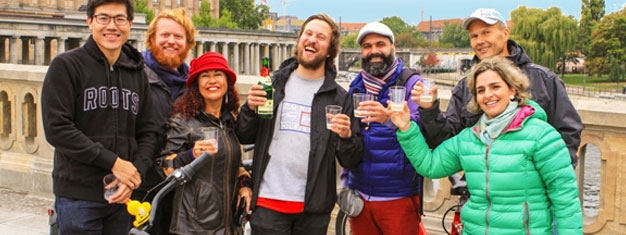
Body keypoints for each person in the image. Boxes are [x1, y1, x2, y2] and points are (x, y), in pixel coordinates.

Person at [391, 57, 583, 234]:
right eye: (481, 90)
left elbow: (565, 200)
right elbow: (430, 165)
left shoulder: (542, 135)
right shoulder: (469, 138)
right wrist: (406, 128)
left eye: (495, 87)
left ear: (513, 89)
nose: (488, 95)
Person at [236, 14, 363, 235]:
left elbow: (351, 159)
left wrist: (346, 137)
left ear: (330, 50)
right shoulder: (273, 85)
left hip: (313, 210)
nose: (312, 40)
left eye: (321, 37)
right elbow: (244, 135)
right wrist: (249, 109)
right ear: (299, 40)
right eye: (308, 33)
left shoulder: (339, 98)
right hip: (268, 203)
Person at [40, 0, 158, 233]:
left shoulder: (137, 73)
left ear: (130, 24)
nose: (111, 26)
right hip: (79, 195)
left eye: (119, 19)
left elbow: (149, 131)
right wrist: (113, 163)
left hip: (122, 197)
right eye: (103, 18)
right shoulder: (66, 66)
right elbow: (57, 129)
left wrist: (134, 175)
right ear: (89, 22)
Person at [416, 8, 582, 168]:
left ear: (505, 34)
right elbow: (447, 141)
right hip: (481, 189)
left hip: (530, 193)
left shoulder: (543, 80)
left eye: (486, 32)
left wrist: (550, 176)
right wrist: (430, 110)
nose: (480, 41)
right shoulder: (465, 87)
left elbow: (568, 133)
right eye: (474, 36)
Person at [159, 52, 252, 234]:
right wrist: (190, 155)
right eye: (205, 76)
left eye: (218, 74)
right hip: (193, 227)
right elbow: (164, 167)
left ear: (227, 82)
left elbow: (234, 164)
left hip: (228, 225)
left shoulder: (229, 122)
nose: (212, 81)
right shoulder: (183, 122)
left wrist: (245, 185)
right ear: (196, 85)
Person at [345, 22, 425, 235]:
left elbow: (423, 127)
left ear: (393, 48)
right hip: (360, 193)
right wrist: (346, 180)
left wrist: (388, 118)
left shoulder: (412, 83)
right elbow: (352, 135)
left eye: (380, 44)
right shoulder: (356, 85)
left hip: (399, 194)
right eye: (367, 46)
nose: (374, 51)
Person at [131, 8, 197, 234]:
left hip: (181, 186)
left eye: (178, 37)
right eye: (165, 35)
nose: (171, 41)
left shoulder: (194, 85)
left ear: (188, 43)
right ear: (151, 39)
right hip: (140, 184)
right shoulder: (132, 74)